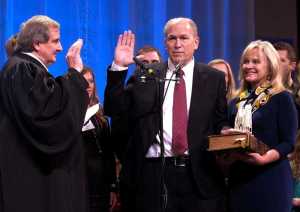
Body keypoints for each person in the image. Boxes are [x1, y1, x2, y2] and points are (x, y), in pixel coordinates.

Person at [104, 17, 228, 212]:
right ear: (165, 43)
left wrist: (228, 132)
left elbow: (219, 121)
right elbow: (114, 108)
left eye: (184, 38)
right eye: (172, 38)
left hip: (198, 173)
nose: (178, 44)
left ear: (196, 42)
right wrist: (119, 67)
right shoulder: (147, 74)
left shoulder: (214, 78)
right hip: (153, 173)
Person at [0, 15, 89, 212]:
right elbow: (47, 118)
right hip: (31, 178)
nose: (60, 48)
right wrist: (74, 74)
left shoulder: (21, 68)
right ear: (37, 43)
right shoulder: (22, 69)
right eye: (56, 41)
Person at [223, 40, 297, 212]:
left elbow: (288, 142)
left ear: (270, 66)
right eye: (246, 61)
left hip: (271, 177)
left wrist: (264, 159)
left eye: (256, 61)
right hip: (239, 178)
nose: (249, 66)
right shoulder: (235, 101)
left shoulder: (282, 97)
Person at [81, 66, 118, 212]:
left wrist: (112, 186)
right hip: (77, 182)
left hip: (100, 182)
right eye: (84, 81)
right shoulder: (66, 112)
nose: (88, 86)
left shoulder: (100, 113)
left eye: (91, 81)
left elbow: (108, 154)